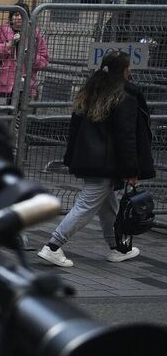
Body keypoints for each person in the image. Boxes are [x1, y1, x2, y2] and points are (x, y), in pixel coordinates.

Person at [37, 51, 155, 267]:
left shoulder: (90, 91)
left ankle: (117, 248)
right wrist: (131, 169)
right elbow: (126, 136)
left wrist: (71, 156)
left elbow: (74, 128)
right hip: (106, 163)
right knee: (86, 205)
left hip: (88, 158)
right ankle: (53, 246)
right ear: (126, 70)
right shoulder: (124, 96)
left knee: (107, 205)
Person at [0, 10, 50, 101]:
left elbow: (44, 61)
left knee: (21, 113)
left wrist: (30, 56)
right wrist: (9, 45)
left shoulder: (35, 36)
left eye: (22, 15)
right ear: (11, 17)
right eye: (16, 15)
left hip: (25, 87)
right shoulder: (0, 32)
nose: (19, 18)